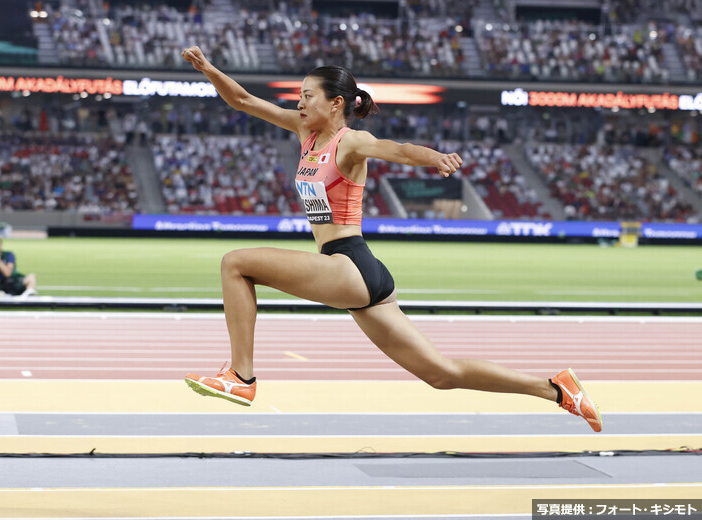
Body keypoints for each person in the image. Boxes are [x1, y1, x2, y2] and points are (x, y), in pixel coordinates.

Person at [181, 46, 603, 432]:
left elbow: (398, 150)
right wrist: (209, 69)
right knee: (441, 374)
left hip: (347, 265)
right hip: (361, 274)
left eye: (309, 95)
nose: (299, 101)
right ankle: (557, 389)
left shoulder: (351, 142)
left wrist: (435, 158)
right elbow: (243, 101)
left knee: (235, 263)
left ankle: (241, 376)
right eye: (300, 94)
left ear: (336, 103)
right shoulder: (304, 133)